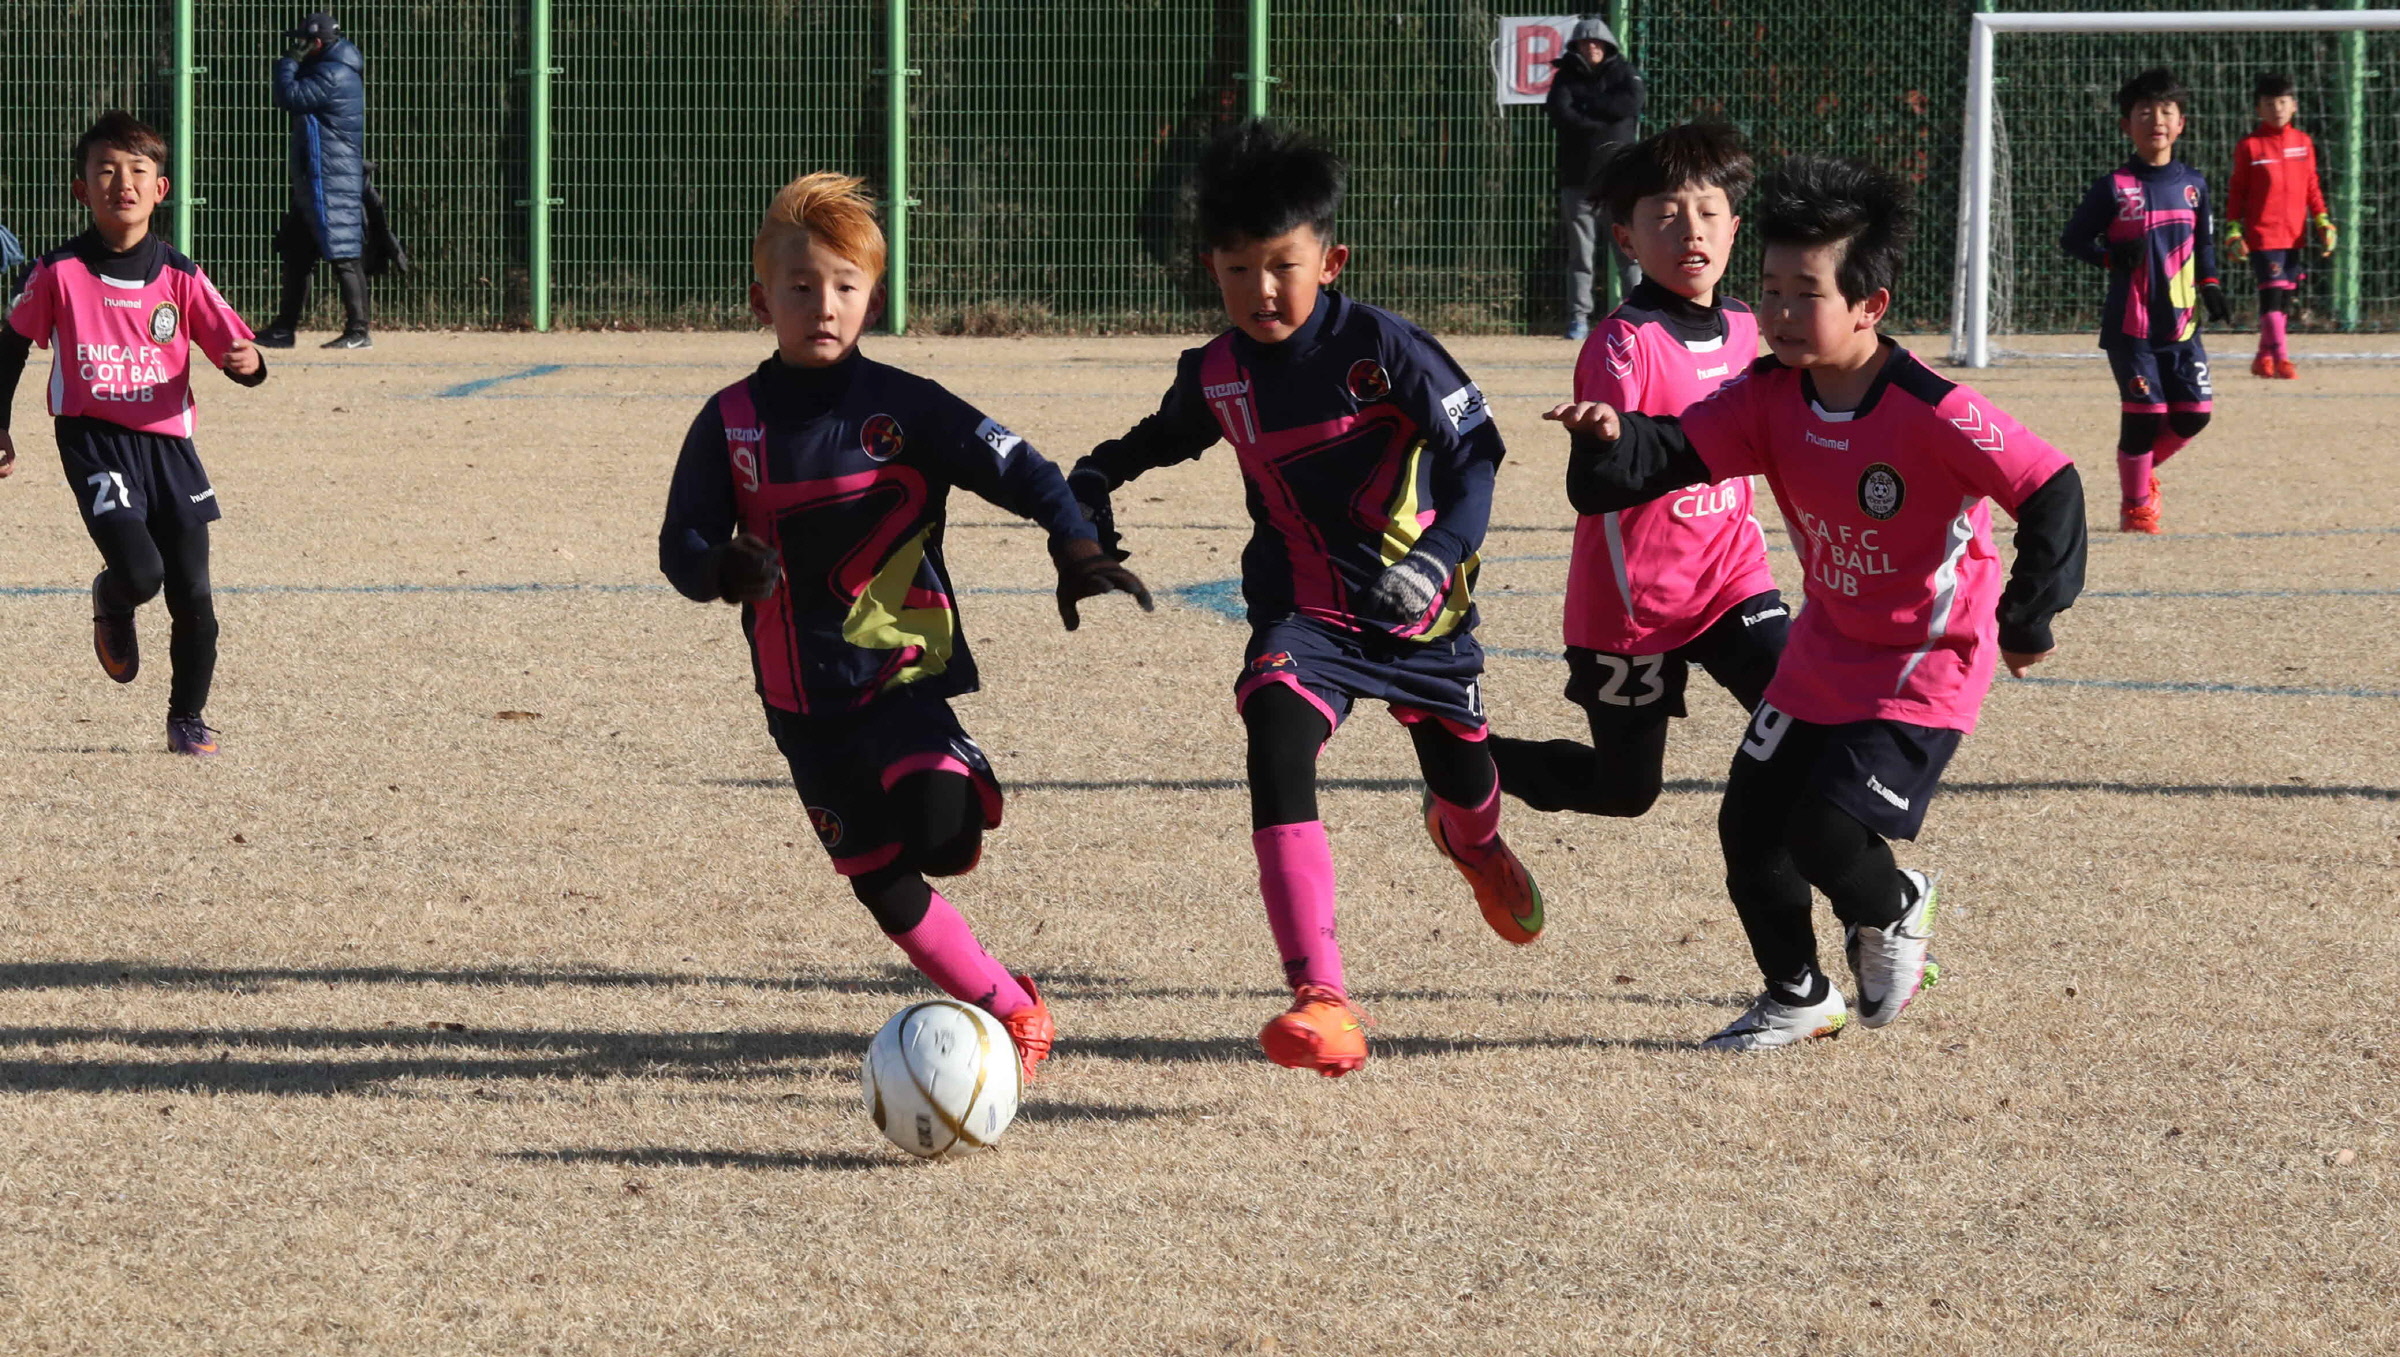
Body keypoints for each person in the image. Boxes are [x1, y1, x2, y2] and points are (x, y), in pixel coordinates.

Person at [1553, 156, 2086, 1052]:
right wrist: (1613, 439)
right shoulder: (1770, 398)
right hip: (1824, 648)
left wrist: (2028, 616)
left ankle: (1897, 900)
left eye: (1806, 293)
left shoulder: (1934, 408)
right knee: (1748, 821)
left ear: (1869, 306)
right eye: (1768, 290)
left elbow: (2051, 484)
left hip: (1925, 655)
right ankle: (1797, 993)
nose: (1779, 313)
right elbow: (1674, 451)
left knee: (1823, 828)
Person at [657, 172, 1152, 1082]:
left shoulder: (909, 405)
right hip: (797, 697)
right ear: (760, 296)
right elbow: (679, 543)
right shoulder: (730, 422)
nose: (823, 305)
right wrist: (719, 568)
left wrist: (1076, 546)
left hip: (900, 674)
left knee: (939, 830)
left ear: (873, 298)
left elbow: (1029, 471)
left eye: (845, 287)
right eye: (801, 287)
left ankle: (961, 787)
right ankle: (1013, 1005)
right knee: (880, 879)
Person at [1069, 121, 1538, 1079]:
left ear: (1332, 260)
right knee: (1274, 739)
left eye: (1282, 265)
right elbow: (1165, 436)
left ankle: (1473, 843)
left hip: (1422, 617)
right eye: (1237, 270)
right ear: (1213, 269)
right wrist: (1091, 477)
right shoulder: (1219, 372)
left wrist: (1440, 558)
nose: (1261, 291)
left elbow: (1477, 456)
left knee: (1467, 795)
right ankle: (1321, 997)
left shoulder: (1386, 348)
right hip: (1304, 616)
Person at [1488, 122, 1785, 823]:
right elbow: (1592, 491)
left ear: (1735, 229)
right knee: (1625, 791)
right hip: (1634, 606)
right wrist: (1604, 443)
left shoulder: (1748, 326)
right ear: (1627, 239)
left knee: (1805, 716)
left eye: (1709, 213)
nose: (1692, 232)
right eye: (1665, 216)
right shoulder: (1622, 344)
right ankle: (1465, 762)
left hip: (1733, 580)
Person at [0, 112, 268, 757]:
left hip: (169, 446)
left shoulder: (180, 275)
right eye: (106, 170)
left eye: (137, 171)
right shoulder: (58, 271)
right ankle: (113, 598)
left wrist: (249, 364)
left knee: (194, 590)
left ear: (160, 188)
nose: (122, 182)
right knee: (141, 572)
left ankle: (187, 717)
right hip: (93, 438)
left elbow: (241, 356)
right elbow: (9, 347)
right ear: (81, 189)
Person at [2060, 67, 2228, 535]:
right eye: (2144, 112)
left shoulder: (2194, 184)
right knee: (2145, 415)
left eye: (2166, 111)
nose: (2156, 119)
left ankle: (2140, 471)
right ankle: (2136, 505)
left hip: (2183, 324)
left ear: (2181, 124)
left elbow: (2205, 243)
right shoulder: (2114, 186)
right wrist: (2110, 257)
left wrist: (2210, 283)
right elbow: (2073, 240)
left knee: (2194, 415)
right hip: (2131, 325)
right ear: (2126, 126)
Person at [256, 11, 372, 350]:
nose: (297, 48)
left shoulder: (334, 74)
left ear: (317, 43)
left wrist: (288, 63)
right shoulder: (329, 68)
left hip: (332, 177)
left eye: (302, 43)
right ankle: (284, 328)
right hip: (318, 178)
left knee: (344, 255)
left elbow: (289, 97)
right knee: (296, 251)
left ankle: (359, 330)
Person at [2226, 72, 2335, 380]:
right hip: (2263, 236)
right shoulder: (2250, 146)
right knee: (2272, 298)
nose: (2277, 108)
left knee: (2284, 301)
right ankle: (2282, 358)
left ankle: (2263, 358)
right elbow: (2238, 191)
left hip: (2295, 236)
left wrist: (2323, 221)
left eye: (2283, 102)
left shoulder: (2303, 143)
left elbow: (2312, 186)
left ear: (2294, 106)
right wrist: (2234, 229)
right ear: (2258, 109)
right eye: (2269, 103)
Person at [1546, 16, 1644, 341]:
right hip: (1578, 183)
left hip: (1619, 184)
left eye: (1597, 42)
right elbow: (1561, 114)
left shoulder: (1624, 73)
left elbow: (1631, 103)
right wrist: (1602, 116)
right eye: (1585, 43)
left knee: (1629, 253)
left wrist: (1586, 107)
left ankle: (1639, 315)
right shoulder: (1564, 78)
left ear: (1608, 45)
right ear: (1575, 47)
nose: (1591, 47)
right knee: (1580, 256)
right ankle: (1578, 320)